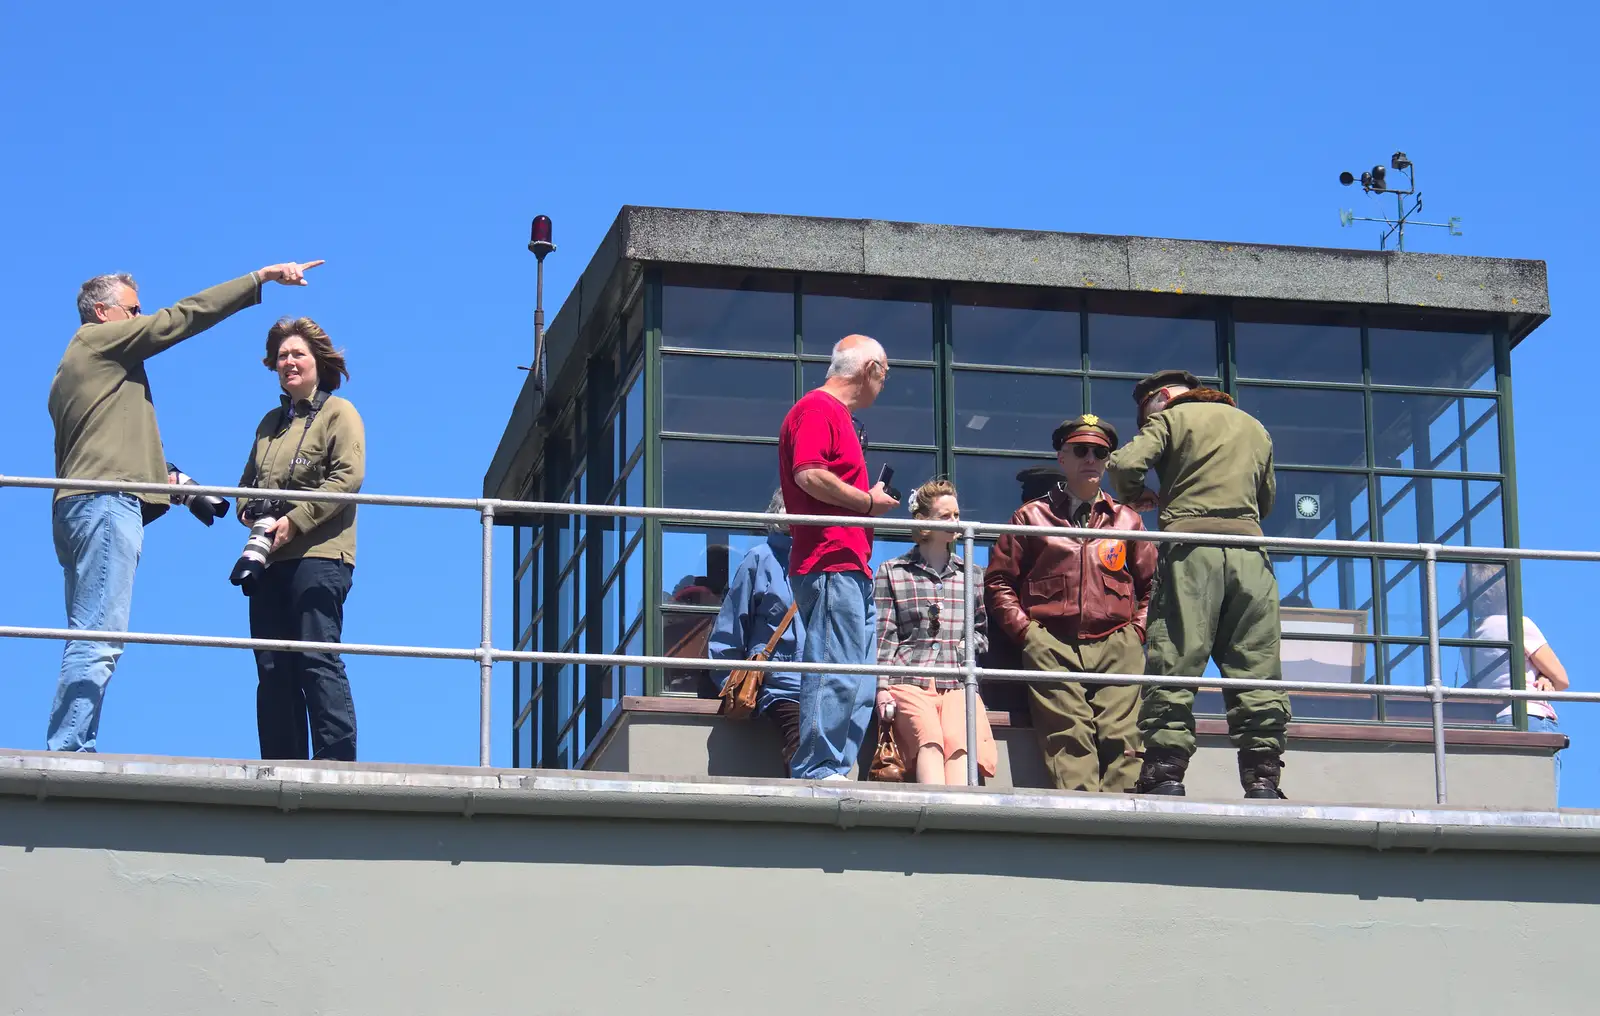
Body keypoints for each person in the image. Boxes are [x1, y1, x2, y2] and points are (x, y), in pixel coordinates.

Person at [46, 261, 324, 752]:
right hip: (108, 506)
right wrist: (258, 280)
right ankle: (70, 750)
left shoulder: (80, 370)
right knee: (99, 638)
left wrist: (171, 481)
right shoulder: (96, 342)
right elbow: (182, 318)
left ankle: (73, 742)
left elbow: (105, 445)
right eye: (133, 309)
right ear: (101, 312)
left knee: (89, 632)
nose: (142, 315)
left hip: (81, 506)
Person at [1106, 369, 1289, 799]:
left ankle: (1164, 775)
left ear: (1164, 396)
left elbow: (1125, 464)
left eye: (1148, 408)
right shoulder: (1254, 426)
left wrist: (1138, 496)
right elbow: (1266, 500)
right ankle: (1263, 779)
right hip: (1250, 557)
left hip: (1191, 553)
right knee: (1257, 668)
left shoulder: (1171, 418)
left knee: (1175, 660)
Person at [985, 415, 1157, 793]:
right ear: (1062, 458)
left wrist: (1137, 631)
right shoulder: (1031, 517)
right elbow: (998, 581)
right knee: (1068, 735)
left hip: (1118, 643)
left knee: (1124, 737)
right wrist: (1028, 633)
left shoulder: (1127, 521)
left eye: (1100, 452)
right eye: (1081, 450)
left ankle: (1122, 832)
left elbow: (1152, 586)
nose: (1091, 459)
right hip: (1051, 642)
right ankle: (1085, 827)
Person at [237, 317, 365, 761]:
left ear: (317, 363)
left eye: (297, 354)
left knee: (315, 655)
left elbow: (348, 477)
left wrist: (295, 520)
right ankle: (280, 762)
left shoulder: (339, 413)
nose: (288, 362)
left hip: (321, 554)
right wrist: (253, 514)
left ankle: (336, 760)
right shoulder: (268, 424)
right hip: (270, 559)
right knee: (272, 666)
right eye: (282, 356)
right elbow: (246, 488)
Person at [778, 334, 899, 780]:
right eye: (885, 373)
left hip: (847, 563)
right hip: (831, 560)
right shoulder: (819, 409)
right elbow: (809, 474)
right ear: (870, 370)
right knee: (837, 668)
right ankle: (816, 768)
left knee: (859, 681)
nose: (884, 384)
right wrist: (867, 504)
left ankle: (831, 767)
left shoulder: (833, 415)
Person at [873, 479, 996, 785]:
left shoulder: (971, 574)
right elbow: (884, 634)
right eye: (946, 516)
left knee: (960, 745)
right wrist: (881, 687)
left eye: (957, 515)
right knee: (929, 740)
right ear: (924, 522)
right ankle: (939, 822)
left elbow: (980, 631)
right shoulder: (893, 571)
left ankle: (958, 824)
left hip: (955, 680)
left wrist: (964, 648)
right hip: (909, 678)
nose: (956, 522)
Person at [707, 490, 806, 768]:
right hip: (777, 684)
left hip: (820, 683)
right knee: (803, 744)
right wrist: (730, 683)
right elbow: (731, 622)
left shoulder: (822, 563)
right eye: (791, 505)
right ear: (777, 513)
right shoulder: (759, 559)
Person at [1463, 564, 1570, 796]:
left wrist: (1543, 676)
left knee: (1504, 799)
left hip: (1492, 722)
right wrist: (1545, 676)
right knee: (1541, 802)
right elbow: (1561, 679)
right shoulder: (1519, 624)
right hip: (1529, 716)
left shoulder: (1470, 636)